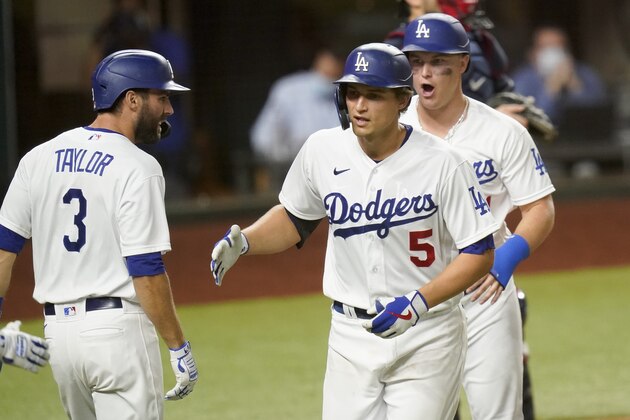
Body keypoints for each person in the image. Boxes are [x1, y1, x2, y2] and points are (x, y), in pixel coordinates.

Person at [211, 42, 499, 419]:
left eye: (374, 95)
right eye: (353, 93)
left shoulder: (445, 163)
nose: (359, 106)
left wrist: (418, 301)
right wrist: (246, 241)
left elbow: (479, 251)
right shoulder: (323, 149)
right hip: (350, 335)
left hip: (428, 335)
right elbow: (296, 217)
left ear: (402, 101)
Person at [0, 49, 198, 419]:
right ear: (132, 99)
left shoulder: (37, 158)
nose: (169, 109)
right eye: (163, 97)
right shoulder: (139, 167)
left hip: (60, 338)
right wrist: (178, 346)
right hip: (118, 337)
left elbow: (2, 253)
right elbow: (146, 270)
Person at [399, 13, 556, 420]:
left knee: (499, 413)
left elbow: (539, 208)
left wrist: (508, 257)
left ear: (464, 63)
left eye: (438, 63)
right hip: (418, 292)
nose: (425, 73)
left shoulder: (502, 131)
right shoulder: (392, 131)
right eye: (416, 63)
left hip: (485, 291)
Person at [249, 46, 344, 192]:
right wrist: (291, 162)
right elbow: (263, 138)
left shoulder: (346, 93)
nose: (330, 71)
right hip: (288, 171)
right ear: (318, 61)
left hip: (335, 175)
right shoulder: (289, 89)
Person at [511, 25, 607, 125]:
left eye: (556, 47)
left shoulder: (585, 73)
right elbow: (530, 121)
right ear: (532, 53)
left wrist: (575, 87)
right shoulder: (522, 79)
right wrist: (551, 90)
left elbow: (598, 115)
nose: (551, 52)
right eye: (545, 47)